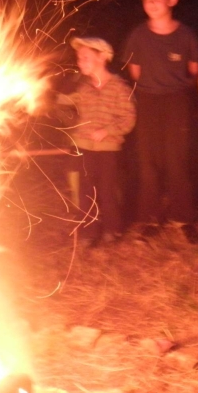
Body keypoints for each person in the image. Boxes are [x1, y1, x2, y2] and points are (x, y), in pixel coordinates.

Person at [123, 0, 198, 242]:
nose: (153, 3)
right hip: (148, 101)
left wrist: (175, 88)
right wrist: (153, 88)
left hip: (177, 101)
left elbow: (194, 69)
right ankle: (150, 218)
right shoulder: (138, 35)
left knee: (177, 158)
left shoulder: (185, 35)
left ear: (172, 0)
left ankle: (183, 217)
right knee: (149, 161)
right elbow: (134, 71)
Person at [58, 37, 136, 245]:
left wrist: (107, 131)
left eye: (85, 57)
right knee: (85, 190)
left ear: (102, 58)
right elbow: (62, 101)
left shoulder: (118, 87)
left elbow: (129, 117)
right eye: (79, 58)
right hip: (84, 146)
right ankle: (89, 231)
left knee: (108, 189)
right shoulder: (83, 88)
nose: (80, 62)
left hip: (108, 149)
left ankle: (112, 228)